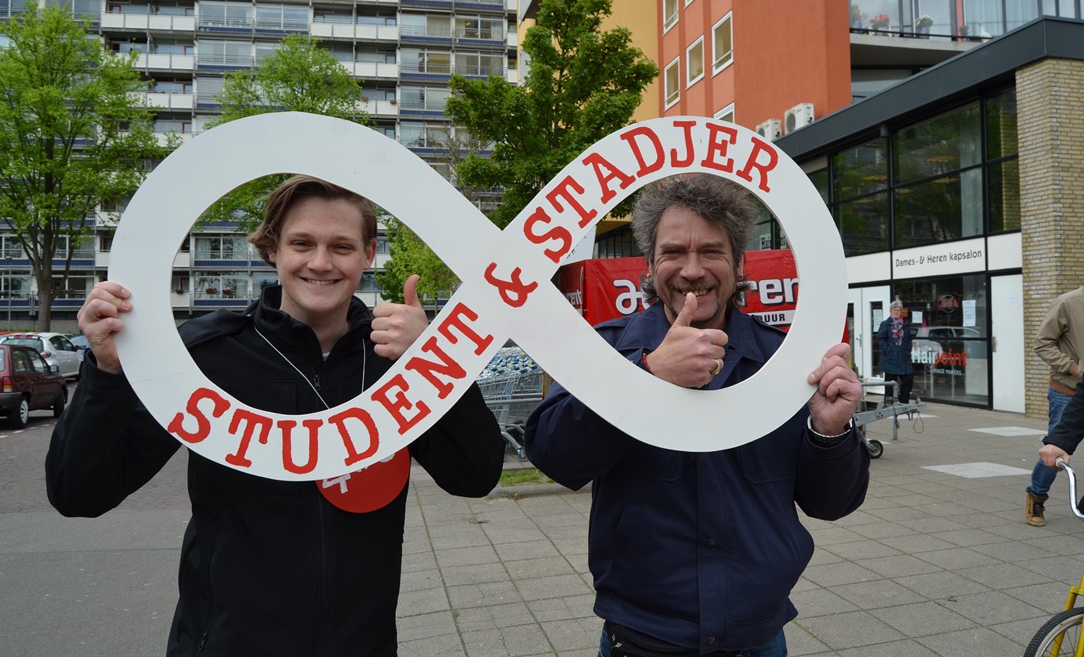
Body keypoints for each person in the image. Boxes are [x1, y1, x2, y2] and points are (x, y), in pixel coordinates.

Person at [46, 175, 506, 656]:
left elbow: (475, 476)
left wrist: (436, 363)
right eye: (301, 243)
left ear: (369, 254)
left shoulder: (399, 359)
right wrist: (107, 375)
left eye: (342, 246)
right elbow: (80, 492)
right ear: (272, 250)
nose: (321, 263)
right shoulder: (208, 354)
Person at [524, 174, 870, 657]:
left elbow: (830, 504)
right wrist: (647, 376)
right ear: (649, 265)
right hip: (643, 641)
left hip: (758, 639)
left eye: (711, 251)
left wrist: (830, 433)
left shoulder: (788, 362)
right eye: (673, 253)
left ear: (738, 263)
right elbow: (554, 456)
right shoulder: (604, 349)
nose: (692, 270)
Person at [1026, 287, 1084, 526]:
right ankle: (1037, 497)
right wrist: (1074, 368)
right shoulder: (1068, 303)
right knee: (1056, 450)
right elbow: (1042, 344)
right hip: (1068, 391)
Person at [876, 299, 914, 404]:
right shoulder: (885, 324)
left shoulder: (905, 324)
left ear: (901, 311)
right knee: (890, 382)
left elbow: (908, 339)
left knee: (908, 379)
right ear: (890, 311)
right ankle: (889, 403)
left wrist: (908, 350)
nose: (896, 312)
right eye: (894, 310)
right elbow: (880, 339)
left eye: (898, 310)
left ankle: (904, 401)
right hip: (890, 358)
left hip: (904, 357)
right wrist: (888, 350)